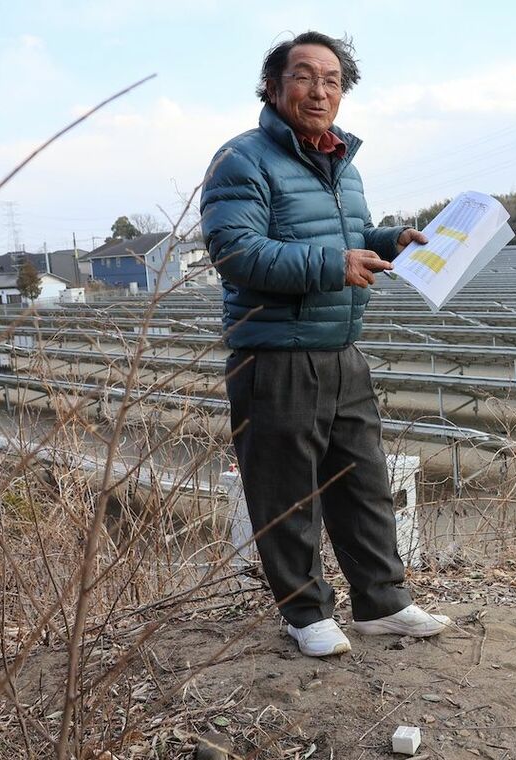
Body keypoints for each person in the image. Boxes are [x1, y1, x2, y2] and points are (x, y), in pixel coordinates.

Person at [200, 31, 450, 658]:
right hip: (275, 353)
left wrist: (391, 240)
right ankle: (304, 612)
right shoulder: (243, 159)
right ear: (273, 86)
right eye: (305, 76)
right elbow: (237, 252)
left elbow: (344, 233)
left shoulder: (344, 161)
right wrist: (333, 264)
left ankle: (382, 603)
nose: (320, 90)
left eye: (333, 79)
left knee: (362, 483)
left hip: (341, 347)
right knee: (285, 490)